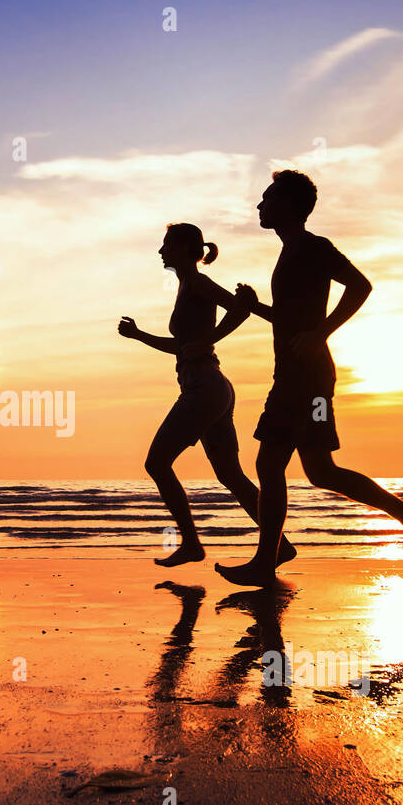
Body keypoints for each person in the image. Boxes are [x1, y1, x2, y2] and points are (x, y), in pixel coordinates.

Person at [215, 171, 403, 587]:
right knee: (318, 470)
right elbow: (290, 321)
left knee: (273, 463)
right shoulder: (289, 253)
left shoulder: (314, 247)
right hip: (293, 376)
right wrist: (252, 306)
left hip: (308, 379)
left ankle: (267, 559)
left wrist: (323, 332)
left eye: (267, 199)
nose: (259, 206)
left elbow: (361, 285)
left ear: (291, 206)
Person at [119, 223, 296, 567]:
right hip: (212, 389)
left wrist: (210, 338)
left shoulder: (197, 282)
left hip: (204, 390)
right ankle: (281, 546)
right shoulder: (187, 285)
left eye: (167, 244)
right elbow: (181, 347)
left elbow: (240, 308)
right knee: (230, 475)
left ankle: (191, 544)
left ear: (186, 248)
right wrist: (140, 336)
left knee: (156, 463)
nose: (161, 251)